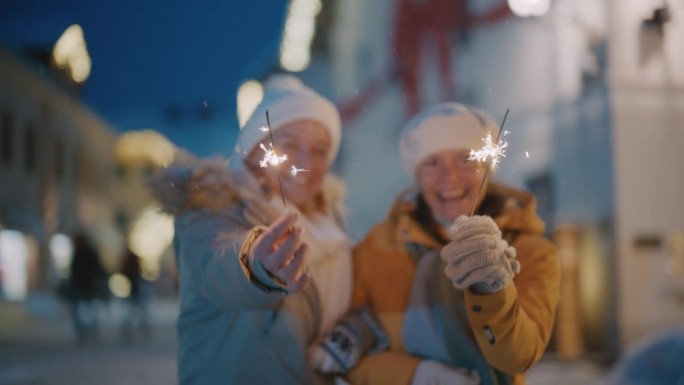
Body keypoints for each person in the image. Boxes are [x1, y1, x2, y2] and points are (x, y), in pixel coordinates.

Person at [151, 75, 362, 385]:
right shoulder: (213, 208)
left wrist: (355, 331)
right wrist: (255, 265)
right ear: (255, 148)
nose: (305, 162)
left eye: (319, 150)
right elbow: (217, 265)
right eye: (288, 144)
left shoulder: (332, 223)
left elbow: (358, 303)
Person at [348, 102, 561, 385]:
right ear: (417, 175)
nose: (449, 177)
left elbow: (518, 357)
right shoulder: (376, 248)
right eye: (432, 163)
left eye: (465, 159)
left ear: (487, 166)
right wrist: (414, 374)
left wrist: (492, 291)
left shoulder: (531, 252)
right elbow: (349, 356)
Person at [68, 231, 109, 344]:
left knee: (82, 309)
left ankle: (84, 330)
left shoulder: (79, 253)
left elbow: (74, 271)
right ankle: (90, 329)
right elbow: (98, 268)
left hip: (82, 285)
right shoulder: (89, 252)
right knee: (89, 308)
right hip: (89, 284)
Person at [119, 246, 151, 341]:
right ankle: (142, 326)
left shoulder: (129, 260)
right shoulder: (133, 261)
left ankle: (139, 326)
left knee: (134, 310)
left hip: (133, 288)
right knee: (137, 310)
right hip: (135, 287)